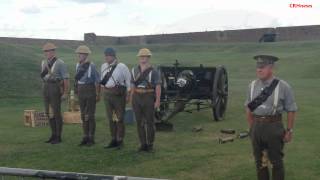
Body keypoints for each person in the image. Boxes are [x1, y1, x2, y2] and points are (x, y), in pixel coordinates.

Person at [245, 55, 298, 180]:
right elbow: (248, 108)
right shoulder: (251, 86)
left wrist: (289, 131)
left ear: (271, 68)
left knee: (276, 162)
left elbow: (291, 110)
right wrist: (252, 128)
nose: (259, 70)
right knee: (259, 163)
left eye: (262, 67)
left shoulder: (283, 86)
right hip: (256, 127)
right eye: (258, 67)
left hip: (274, 127)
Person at [131, 48, 161, 152]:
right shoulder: (134, 70)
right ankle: (142, 144)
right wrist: (132, 98)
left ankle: (150, 144)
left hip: (148, 96)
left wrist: (157, 101)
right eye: (141, 56)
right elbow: (132, 85)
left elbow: (157, 86)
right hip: (137, 96)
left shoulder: (154, 71)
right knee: (139, 122)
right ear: (139, 58)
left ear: (149, 58)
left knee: (150, 122)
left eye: (145, 56)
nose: (143, 58)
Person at [100, 48, 131, 149]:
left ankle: (120, 140)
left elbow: (128, 81)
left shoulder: (122, 66)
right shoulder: (103, 66)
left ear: (113, 56)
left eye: (108, 55)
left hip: (118, 95)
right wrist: (102, 93)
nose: (106, 57)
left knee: (119, 118)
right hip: (107, 94)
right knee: (111, 118)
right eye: (105, 55)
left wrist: (128, 95)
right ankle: (113, 139)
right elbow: (102, 81)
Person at [40, 42, 69, 144]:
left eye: (48, 51)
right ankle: (53, 134)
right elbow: (43, 76)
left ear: (53, 51)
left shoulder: (60, 63)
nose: (46, 53)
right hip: (46, 87)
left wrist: (65, 93)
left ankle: (58, 136)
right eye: (45, 51)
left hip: (55, 87)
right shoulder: (43, 62)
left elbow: (66, 79)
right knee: (48, 112)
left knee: (56, 112)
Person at [74, 45, 100, 146]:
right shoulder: (77, 65)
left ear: (86, 55)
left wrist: (97, 93)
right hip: (81, 91)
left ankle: (91, 137)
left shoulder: (91, 66)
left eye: (81, 54)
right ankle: (85, 136)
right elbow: (77, 80)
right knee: (83, 114)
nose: (79, 55)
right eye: (79, 54)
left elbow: (97, 80)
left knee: (90, 115)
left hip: (90, 90)